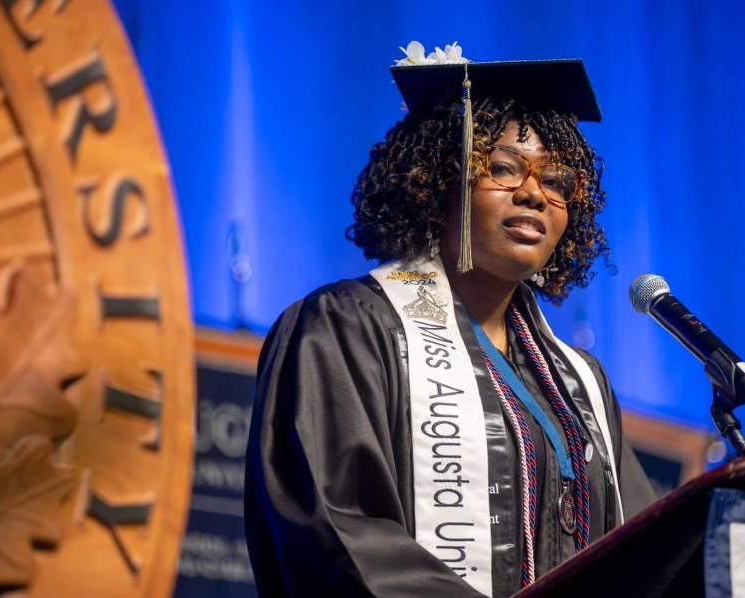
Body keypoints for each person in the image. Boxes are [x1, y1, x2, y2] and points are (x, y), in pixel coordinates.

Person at [244, 43, 656, 597]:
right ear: (437, 179)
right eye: (505, 169)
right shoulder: (346, 330)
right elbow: (337, 532)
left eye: (557, 182)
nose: (534, 193)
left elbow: (640, 548)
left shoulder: (579, 383)